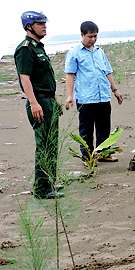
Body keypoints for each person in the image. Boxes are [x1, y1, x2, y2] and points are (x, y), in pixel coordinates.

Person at [14, 11, 64, 199]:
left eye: (44, 23)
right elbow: (25, 78)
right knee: (43, 145)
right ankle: (42, 189)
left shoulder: (38, 47)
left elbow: (45, 78)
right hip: (39, 101)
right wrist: (34, 103)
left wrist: (55, 99)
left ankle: (49, 181)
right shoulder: (26, 49)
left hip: (48, 100)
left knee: (52, 144)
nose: (44, 26)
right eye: (39, 23)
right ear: (29, 26)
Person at [64, 21, 123, 164]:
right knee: (86, 129)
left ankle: (104, 153)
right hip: (86, 97)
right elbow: (70, 75)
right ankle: (87, 157)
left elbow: (108, 72)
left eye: (95, 36)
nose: (93, 39)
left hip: (102, 95)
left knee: (104, 128)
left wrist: (115, 90)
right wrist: (70, 96)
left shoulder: (99, 52)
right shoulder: (74, 53)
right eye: (90, 36)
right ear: (82, 35)